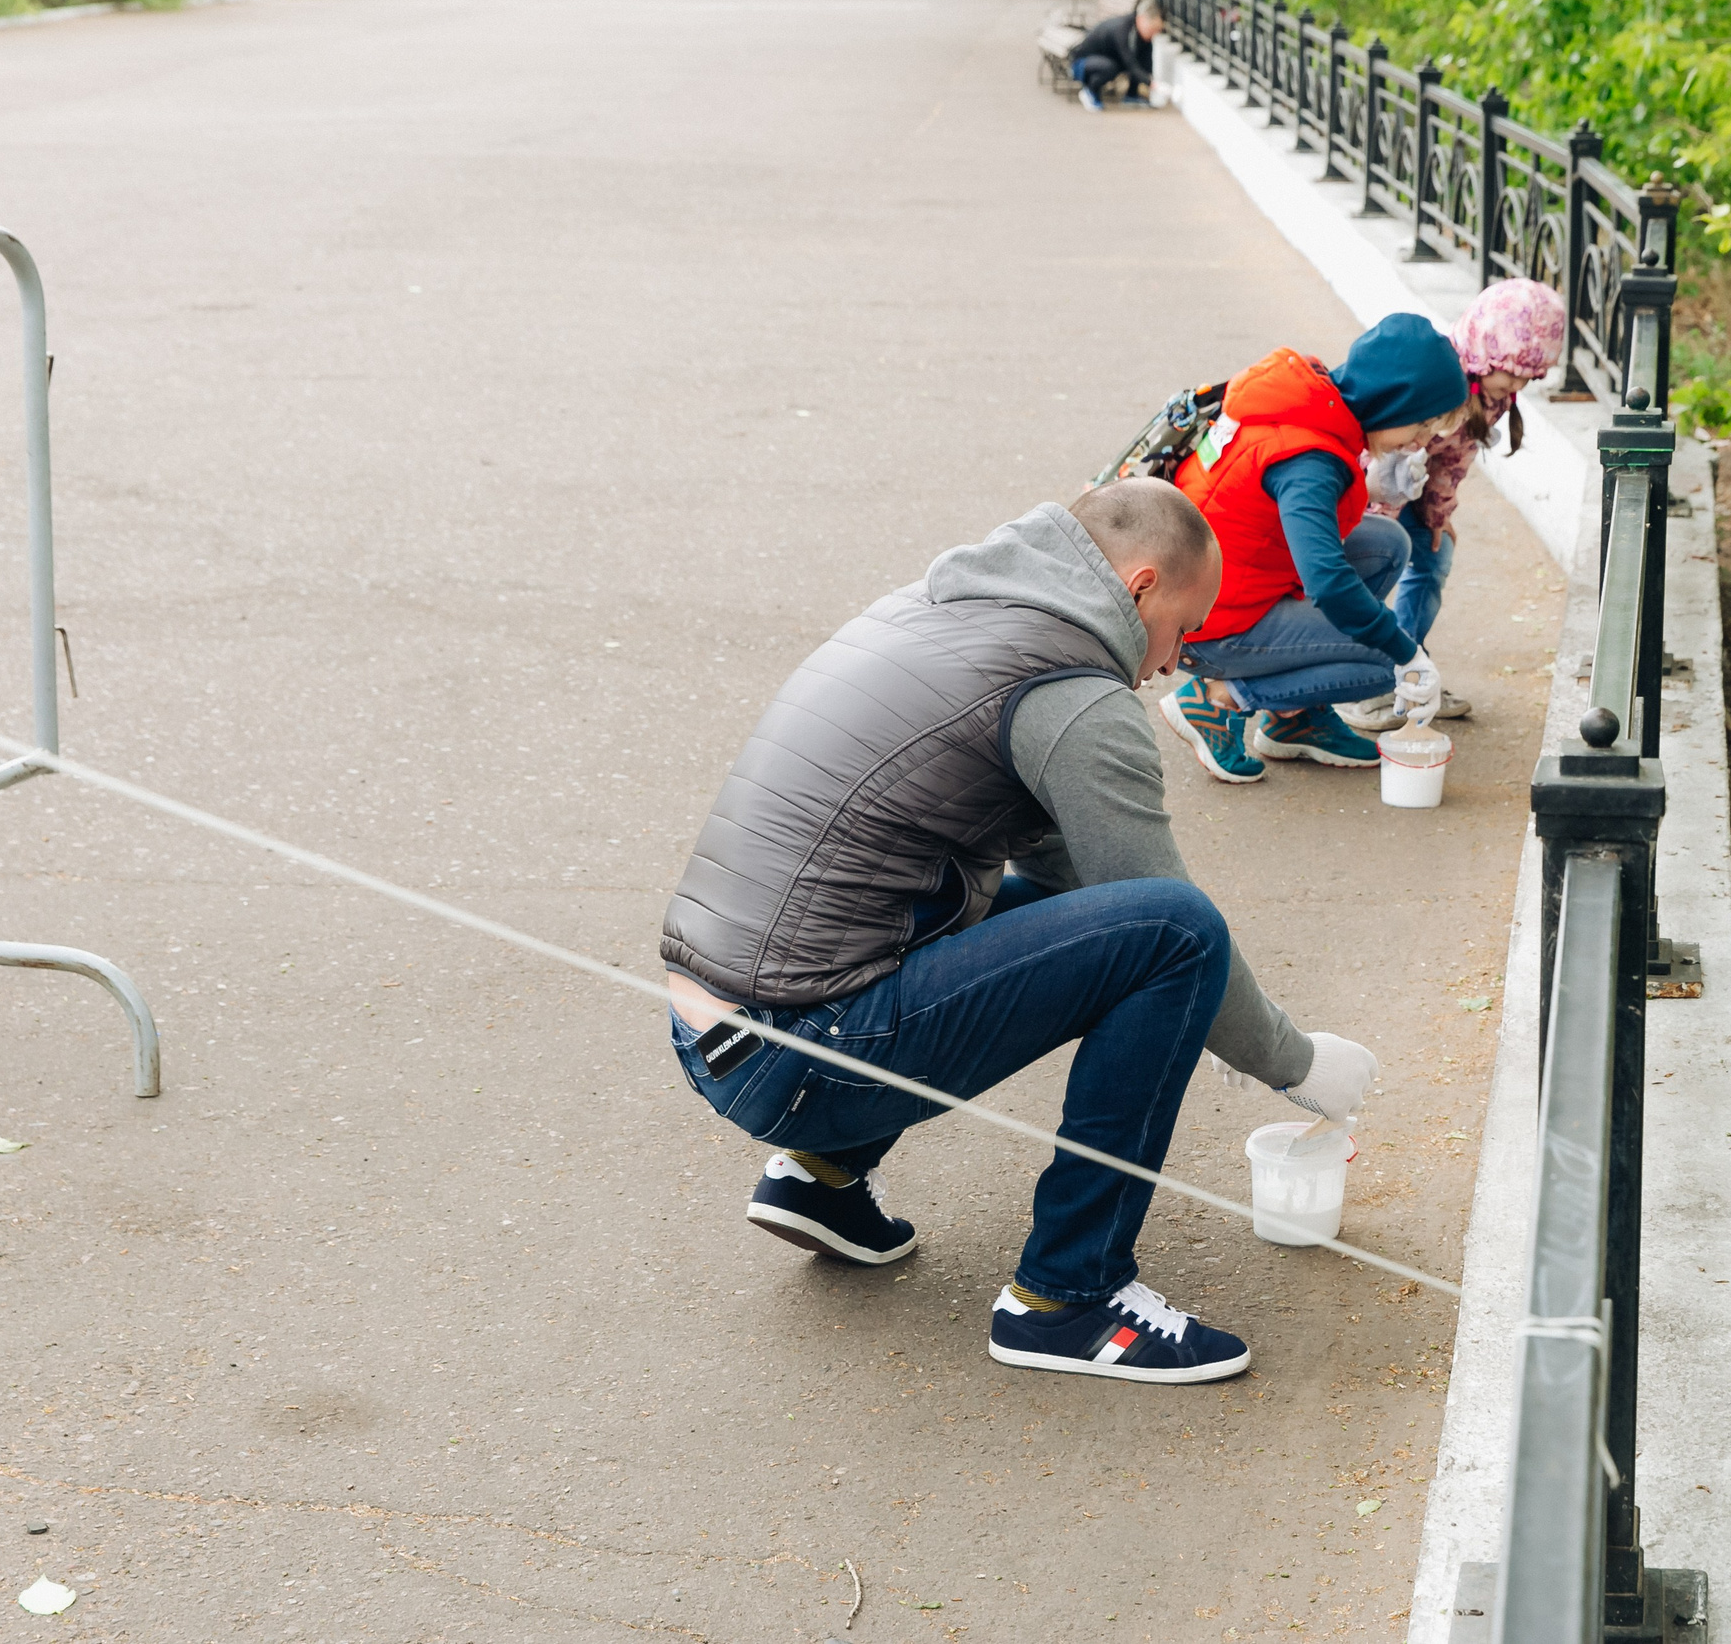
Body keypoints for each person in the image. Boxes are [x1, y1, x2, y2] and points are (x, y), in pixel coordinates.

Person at [660, 480, 1378, 1384]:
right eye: (1184, 629)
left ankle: (824, 1177)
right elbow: (1162, 916)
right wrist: (1292, 1058)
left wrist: (1225, 1019)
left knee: (1095, 921)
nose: (1174, 662)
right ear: (1143, 586)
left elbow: (1083, 892)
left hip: (718, 1026)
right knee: (1180, 932)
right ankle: (1069, 1299)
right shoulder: (1073, 692)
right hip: (804, 1053)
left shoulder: (947, 608)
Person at [1158, 312, 1471, 784]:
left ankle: (1293, 718)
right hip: (1206, 623)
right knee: (1387, 667)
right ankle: (1217, 697)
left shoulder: (1307, 397)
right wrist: (1406, 652)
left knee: (1387, 544)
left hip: (1221, 580)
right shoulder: (1310, 460)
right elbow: (1326, 581)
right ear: (1395, 402)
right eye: (1424, 426)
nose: (1422, 443)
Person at [1338, 278, 1569, 735]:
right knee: (1379, 567)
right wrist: (1379, 526)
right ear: (1487, 350)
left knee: (1435, 556)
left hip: (1411, 495)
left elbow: (1453, 460)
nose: (1518, 385)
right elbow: (1386, 458)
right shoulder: (1439, 383)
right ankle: (1361, 687)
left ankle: (1409, 671)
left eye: (1529, 377)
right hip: (1367, 496)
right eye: (1513, 372)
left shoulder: (1492, 392)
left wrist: (1436, 516)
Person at [1071, 0, 1163, 112]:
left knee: (1139, 54)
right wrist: (1151, 83)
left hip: (1107, 59)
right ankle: (1090, 92)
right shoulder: (1121, 29)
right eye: (1151, 29)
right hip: (1082, 63)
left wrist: (1149, 77)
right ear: (1141, 19)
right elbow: (1129, 61)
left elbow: (1145, 61)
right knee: (1111, 67)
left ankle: (1131, 95)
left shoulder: (1139, 34)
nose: (1153, 34)